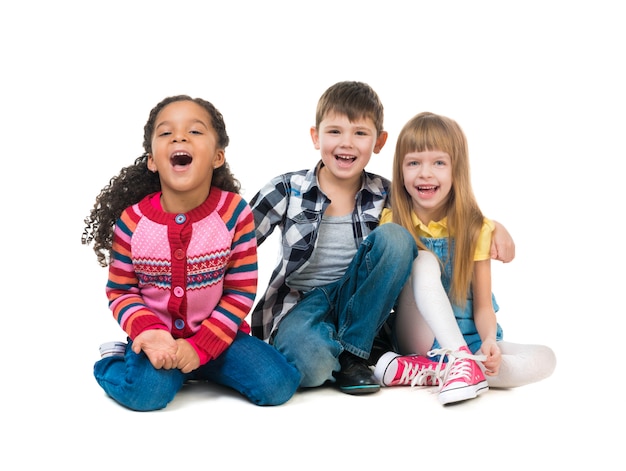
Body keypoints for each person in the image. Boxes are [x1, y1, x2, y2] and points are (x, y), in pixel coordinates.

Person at [249, 81, 515, 396]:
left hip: (362, 306)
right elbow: (235, 246)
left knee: (396, 237)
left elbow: (442, 210)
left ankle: (355, 353)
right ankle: (366, 356)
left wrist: (492, 225)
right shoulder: (286, 189)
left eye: (360, 133)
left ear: (379, 141)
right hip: (304, 304)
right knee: (312, 370)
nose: (346, 143)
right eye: (335, 132)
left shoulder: (388, 194)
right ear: (315, 136)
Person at [81, 95, 300, 411]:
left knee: (278, 384)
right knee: (146, 394)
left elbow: (239, 292)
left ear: (217, 156)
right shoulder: (132, 221)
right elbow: (121, 291)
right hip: (159, 344)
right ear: (153, 160)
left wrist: (200, 348)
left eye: (195, 132)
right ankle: (116, 362)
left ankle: (205, 367)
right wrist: (149, 332)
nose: (179, 137)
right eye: (166, 132)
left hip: (221, 338)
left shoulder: (234, 213)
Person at [373, 111, 556, 405]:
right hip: (419, 336)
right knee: (423, 261)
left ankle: (441, 371)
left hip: (471, 337)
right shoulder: (393, 223)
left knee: (546, 358)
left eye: (439, 163)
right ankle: (459, 363)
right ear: (401, 170)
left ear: (456, 169)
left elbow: (483, 306)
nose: (425, 173)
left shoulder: (476, 229)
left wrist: (488, 342)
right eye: (414, 163)